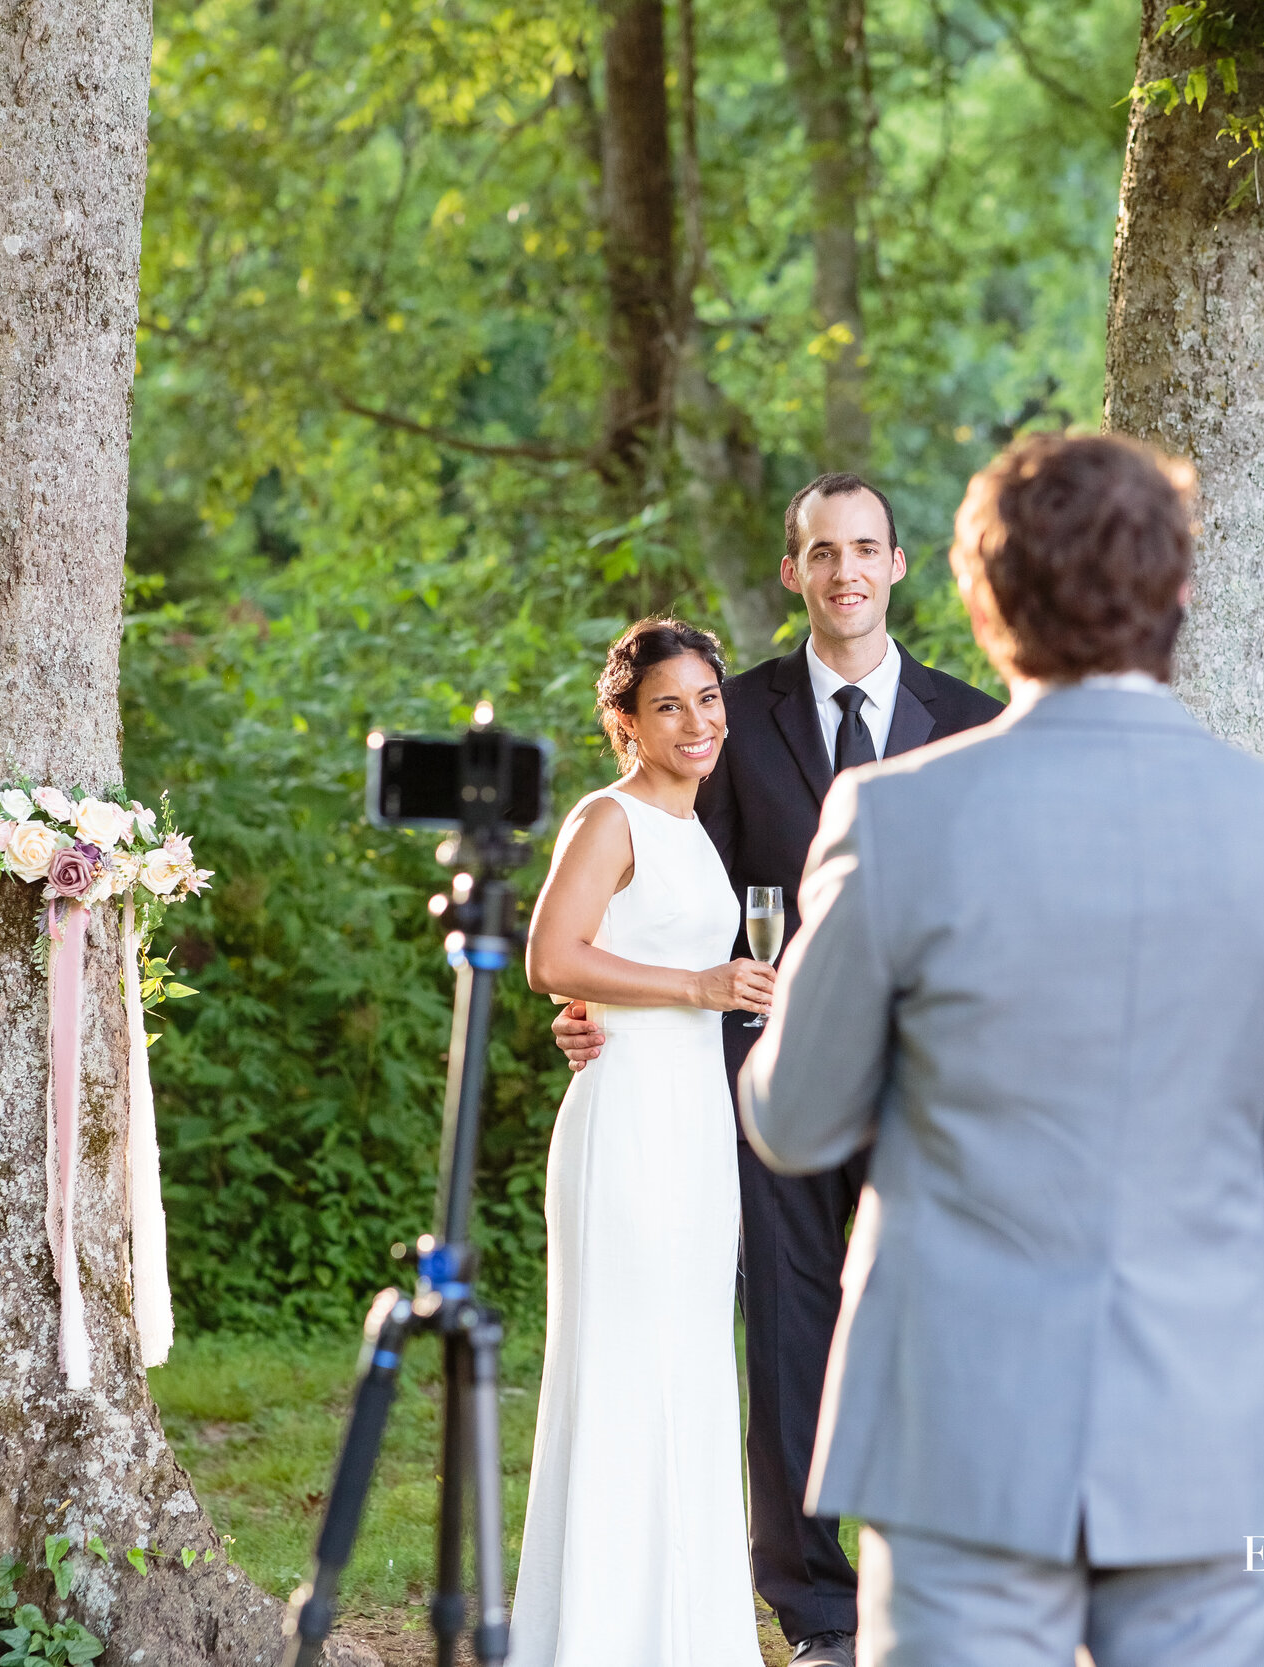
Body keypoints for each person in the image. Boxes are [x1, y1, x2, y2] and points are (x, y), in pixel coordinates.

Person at [740, 433, 1264, 1667]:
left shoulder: (892, 815)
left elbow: (792, 1116)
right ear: (1180, 590)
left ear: (983, 605)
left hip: (956, 1420)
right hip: (1206, 1418)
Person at [551, 473, 1000, 1667]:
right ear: (791, 570)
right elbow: (672, 904)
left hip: (924, 1092)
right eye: (820, 551)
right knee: (790, 1338)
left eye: (865, 548)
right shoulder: (728, 718)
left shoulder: (970, 718)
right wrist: (595, 1003)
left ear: (899, 564)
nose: (844, 570)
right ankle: (814, 1605)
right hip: (761, 1084)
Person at [512, 618, 773, 1667]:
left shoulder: (694, 828)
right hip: (625, 1125)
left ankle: (683, 1632)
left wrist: (672, 994)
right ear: (624, 721)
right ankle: (597, 1633)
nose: (698, 719)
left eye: (708, 698)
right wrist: (697, 987)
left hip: (693, 1122)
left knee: (688, 1367)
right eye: (669, 703)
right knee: (623, 1365)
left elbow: (600, 962)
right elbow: (549, 954)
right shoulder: (609, 816)